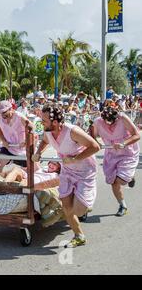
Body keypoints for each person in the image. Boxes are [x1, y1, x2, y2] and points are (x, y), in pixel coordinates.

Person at [33, 103, 100, 248]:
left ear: (55, 122)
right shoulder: (48, 131)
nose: (41, 123)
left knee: (79, 210)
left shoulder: (72, 131)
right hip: (67, 171)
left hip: (85, 171)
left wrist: (75, 159)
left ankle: (85, 198)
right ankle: (79, 236)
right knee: (66, 206)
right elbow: (44, 141)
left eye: (44, 120)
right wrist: (38, 153)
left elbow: (95, 146)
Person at [92, 106, 140, 216]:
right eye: (106, 122)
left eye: (112, 123)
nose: (110, 125)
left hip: (127, 153)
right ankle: (122, 205)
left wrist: (123, 143)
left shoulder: (123, 118)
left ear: (116, 118)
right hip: (111, 154)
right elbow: (92, 136)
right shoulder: (97, 122)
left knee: (121, 180)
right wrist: (96, 143)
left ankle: (129, 177)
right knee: (113, 182)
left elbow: (136, 135)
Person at [0, 100, 33, 174]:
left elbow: (31, 128)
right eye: (0, 112)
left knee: (30, 170)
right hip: (8, 147)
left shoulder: (19, 116)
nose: (2, 115)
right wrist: (4, 141)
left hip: (22, 149)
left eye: (4, 112)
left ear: (10, 109)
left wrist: (26, 141)